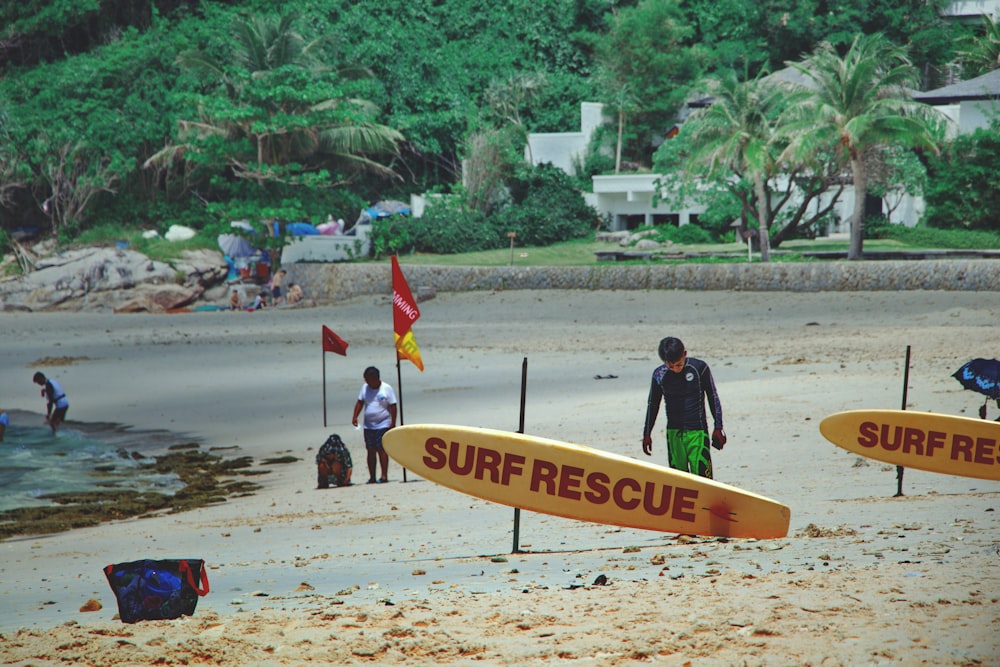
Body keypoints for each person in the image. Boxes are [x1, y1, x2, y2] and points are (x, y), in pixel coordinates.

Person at [641, 337, 725, 479]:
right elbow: (653, 404)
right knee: (679, 480)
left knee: (702, 477)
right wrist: (647, 433)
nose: (675, 369)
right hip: (674, 434)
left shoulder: (699, 368)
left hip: (697, 433)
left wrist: (718, 426)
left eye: (679, 365)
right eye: (670, 366)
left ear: (684, 354)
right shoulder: (659, 375)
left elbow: (713, 396)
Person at [351, 366, 397, 484]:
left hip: (383, 423)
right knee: (370, 450)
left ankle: (384, 475)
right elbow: (360, 402)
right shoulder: (365, 388)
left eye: (368, 379)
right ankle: (372, 477)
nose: (366, 382)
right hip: (369, 426)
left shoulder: (386, 388)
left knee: (382, 450)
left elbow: (393, 406)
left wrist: (393, 423)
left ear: (375, 378)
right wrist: (355, 416)